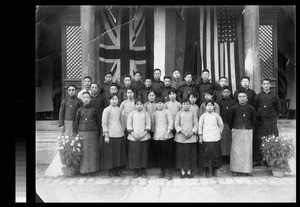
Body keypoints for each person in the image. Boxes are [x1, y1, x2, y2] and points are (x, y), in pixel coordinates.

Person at [44, 84, 82, 177]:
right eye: (70, 90)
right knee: (67, 144)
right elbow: (61, 112)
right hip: (67, 123)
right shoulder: (64, 101)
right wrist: (61, 124)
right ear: (68, 91)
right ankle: (66, 163)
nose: (71, 91)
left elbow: (81, 113)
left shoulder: (79, 101)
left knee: (76, 143)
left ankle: (76, 165)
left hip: (76, 124)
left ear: (76, 91)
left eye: (73, 90)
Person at [253, 78, 281, 166]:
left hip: (271, 121)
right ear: (262, 85)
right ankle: (258, 160)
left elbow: (278, 109)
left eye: (267, 84)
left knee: (271, 139)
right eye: (264, 84)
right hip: (260, 121)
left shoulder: (275, 96)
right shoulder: (258, 96)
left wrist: (272, 117)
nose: (265, 85)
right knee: (258, 140)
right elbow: (255, 107)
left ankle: (270, 160)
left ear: (270, 85)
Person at [228, 90, 256, 176]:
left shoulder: (251, 108)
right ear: (237, 98)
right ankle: (235, 170)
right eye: (240, 97)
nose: (242, 98)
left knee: (247, 151)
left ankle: (246, 170)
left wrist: (250, 128)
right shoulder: (233, 108)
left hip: (247, 130)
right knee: (236, 151)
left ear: (247, 98)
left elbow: (253, 120)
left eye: (244, 97)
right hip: (236, 130)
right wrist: (233, 128)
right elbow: (230, 120)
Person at [101, 93, 126, 177]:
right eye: (112, 99)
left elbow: (121, 121)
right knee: (110, 154)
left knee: (118, 153)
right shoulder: (106, 110)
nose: (114, 101)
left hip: (119, 134)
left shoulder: (119, 110)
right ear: (109, 100)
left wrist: (123, 131)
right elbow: (104, 123)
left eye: (116, 99)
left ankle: (117, 170)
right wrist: (106, 135)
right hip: (111, 134)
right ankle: (111, 170)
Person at [76, 91, 101, 175]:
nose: (86, 99)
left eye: (87, 98)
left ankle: (92, 170)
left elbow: (98, 121)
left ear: (90, 99)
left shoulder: (94, 109)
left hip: (92, 133)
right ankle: (83, 171)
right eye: (84, 98)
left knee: (92, 152)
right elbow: (77, 121)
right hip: (82, 133)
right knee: (84, 152)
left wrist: (96, 131)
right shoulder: (79, 110)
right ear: (82, 99)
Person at [126, 98, 152, 178]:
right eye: (137, 104)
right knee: (135, 155)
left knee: (143, 155)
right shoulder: (131, 114)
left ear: (143, 105)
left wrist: (142, 135)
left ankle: (143, 171)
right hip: (133, 138)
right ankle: (136, 171)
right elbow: (129, 125)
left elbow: (148, 125)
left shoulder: (146, 114)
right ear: (135, 105)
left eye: (140, 104)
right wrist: (134, 135)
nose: (139, 106)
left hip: (144, 137)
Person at [198, 100, 224, 178]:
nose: (209, 107)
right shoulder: (203, 116)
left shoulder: (216, 115)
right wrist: (200, 136)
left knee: (215, 155)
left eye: (211, 105)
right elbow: (200, 126)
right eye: (208, 105)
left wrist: (218, 132)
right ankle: (207, 171)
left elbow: (221, 125)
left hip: (215, 138)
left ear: (213, 107)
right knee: (206, 155)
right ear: (205, 107)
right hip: (206, 138)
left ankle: (214, 170)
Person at [174, 98, 198, 178]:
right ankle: (182, 171)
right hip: (181, 137)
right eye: (184, 104)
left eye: (187, 104)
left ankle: (189, 171)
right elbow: (176, 125)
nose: (186, 106)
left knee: (190, 155)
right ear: (182, 105)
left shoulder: (193, 113)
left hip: (191, 138)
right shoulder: (179, 113)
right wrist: (183, 132)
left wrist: (191, 132)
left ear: (189, 105)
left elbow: (196, 124)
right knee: (182, 155)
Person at [152, 97, 174, 180]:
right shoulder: (154, 113)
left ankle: (170, 172)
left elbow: (170, 122)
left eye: (161, 103)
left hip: (167, 136)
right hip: (157, 136)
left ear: (163, 104)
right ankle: (162, 171)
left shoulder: (167, 112)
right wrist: (155, 133)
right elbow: (153, 125)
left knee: (167, 155)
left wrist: (168, 132)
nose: (159, 105)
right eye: (157, 103)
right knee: (160, 155)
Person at [216, 86, 237, 163]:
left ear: (230, 93)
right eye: (224, 92)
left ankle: (229, 157)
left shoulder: (234, 102)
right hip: (221, 124)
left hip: (230, 124)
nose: (226, 93)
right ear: (222, 93)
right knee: (221, 141)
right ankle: (221, 157)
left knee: (229, 141)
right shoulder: (218, 102)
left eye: (227, 92)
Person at [119, 87, 136, 158]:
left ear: (134, 93)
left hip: (135, 127)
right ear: (126, 94)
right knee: (126, 144)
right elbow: (120, 115)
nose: (130, 94)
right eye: (128, 93)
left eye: (131, 92)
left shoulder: (136, 102)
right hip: (126, 126)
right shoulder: (123, 103)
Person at [144, 90, 157, 166]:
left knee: (155, 145)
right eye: (150, 96)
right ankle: (149, 162)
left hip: (157, 127)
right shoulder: (145, 105)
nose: (151, 97)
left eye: (153, 95)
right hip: (148, 128)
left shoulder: (158, 104)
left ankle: (155, 161)